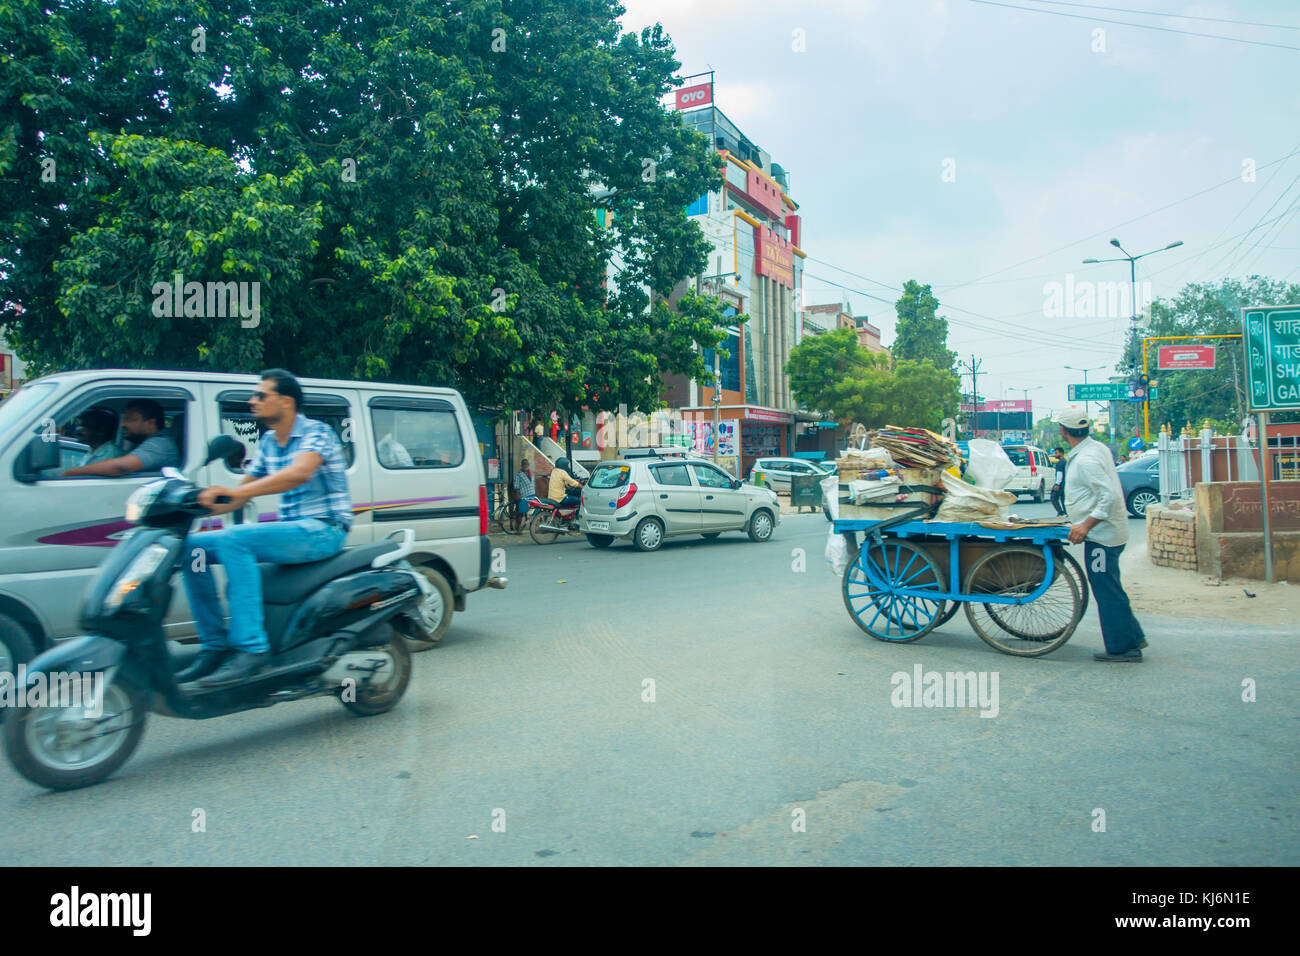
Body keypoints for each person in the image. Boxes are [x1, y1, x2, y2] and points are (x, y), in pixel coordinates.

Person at [175, 369, 353, 687]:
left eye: (261, 395)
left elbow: (298, 474)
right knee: (191, 548)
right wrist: (193, 505)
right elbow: (238, 494)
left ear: (285, 402)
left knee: (234, 540)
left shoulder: (317, 433)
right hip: (294, 531)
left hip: (324, 530)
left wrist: (237, 494)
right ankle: (215, 646)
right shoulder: (270, 441)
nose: (252, 400)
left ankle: (252, 650)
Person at [1054, 407, 1148, 663]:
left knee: (1107, 591)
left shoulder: (1086, 459)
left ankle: (1122, 648)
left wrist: (1085, 525)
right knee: (1112, 586)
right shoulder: (1096, 449)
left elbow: (1108, 496)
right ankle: (1133, 636)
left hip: (1101, 535)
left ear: (1063, 431)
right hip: (1109, 531)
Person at [61, 399, 179, 477]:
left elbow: (121, 467)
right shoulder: (148, 444)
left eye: (129, 419)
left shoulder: (161, 445)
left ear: (150, 423)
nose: (122, 424)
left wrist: (68, 474)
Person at [512, 459, 538, 531]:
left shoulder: (531, 473)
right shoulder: (519, 475)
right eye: (524, 464)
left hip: (532, 495)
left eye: (526, 464)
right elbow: (516, 486)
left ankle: (532, 527)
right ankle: (518, 529)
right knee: (521, 513)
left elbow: (534, 484)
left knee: (533, 513)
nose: (525, 466)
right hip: (523, 496)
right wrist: (517, 495)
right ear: (521, 465)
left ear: (528, 465)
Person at [1049, 446, 1067, 517]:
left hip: (1060, 484)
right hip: (1065, 484)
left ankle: (1060, 512)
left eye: (1056, 453)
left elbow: (1060, 474)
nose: (1055, 455)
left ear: (1061, 453)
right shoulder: (1065, 461)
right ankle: (1065, 512)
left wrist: (1057, 484)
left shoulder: (1060, 463)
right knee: (1063, 499)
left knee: (1053, 498)